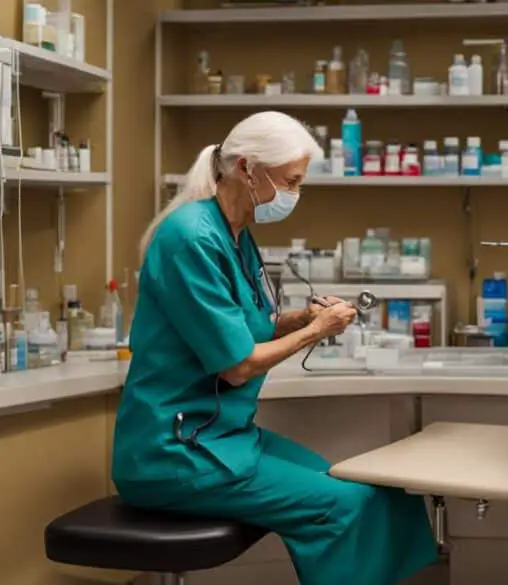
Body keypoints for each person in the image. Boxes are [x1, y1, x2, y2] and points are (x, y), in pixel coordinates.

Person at [112, 111, 437, 585]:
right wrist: (317, 330)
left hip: (225, 438)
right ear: (247, 168)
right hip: (177, 452)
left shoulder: (236, 237)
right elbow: (238, 365)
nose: (294, 195)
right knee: (343, 507)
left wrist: (300, 318)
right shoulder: (191, 238)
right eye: (290, 182)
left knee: (371, 489)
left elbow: (251, 325)